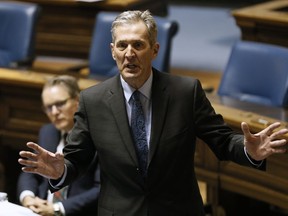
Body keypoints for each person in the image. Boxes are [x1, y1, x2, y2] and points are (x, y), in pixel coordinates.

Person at [18, 10, 287, 216]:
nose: (129, 54)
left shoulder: (185, 92)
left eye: (138, 45)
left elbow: (224, 142)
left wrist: (250, 151)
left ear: (155, 49)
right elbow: (77, 161)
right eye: (122, 46)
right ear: (112, 51)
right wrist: (59, 171)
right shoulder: (93, 100)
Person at [17, 75, 100, 216]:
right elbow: (30, 173)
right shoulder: (47, 132)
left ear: (77, 100)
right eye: (49, 107)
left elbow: (102, 189)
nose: (54, 112)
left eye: (60, 104)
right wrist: (28, 198)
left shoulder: (98, 137)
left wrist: (57, 209)